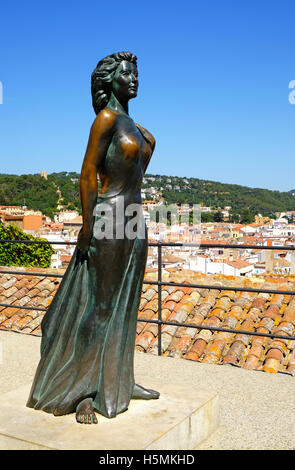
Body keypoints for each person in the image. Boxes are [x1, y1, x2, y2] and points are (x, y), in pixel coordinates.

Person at [26, 52, 159, 424]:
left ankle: (118, 379)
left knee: (125, 305)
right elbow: (87, 174)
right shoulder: (106, 119)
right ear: (109, 80)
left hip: (134, 218)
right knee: (100, 307)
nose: (134, 78)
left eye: (137, 73)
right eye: (126, 73)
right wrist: (88, 225)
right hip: (111, 216)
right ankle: (81, 390)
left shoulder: (136, 126)